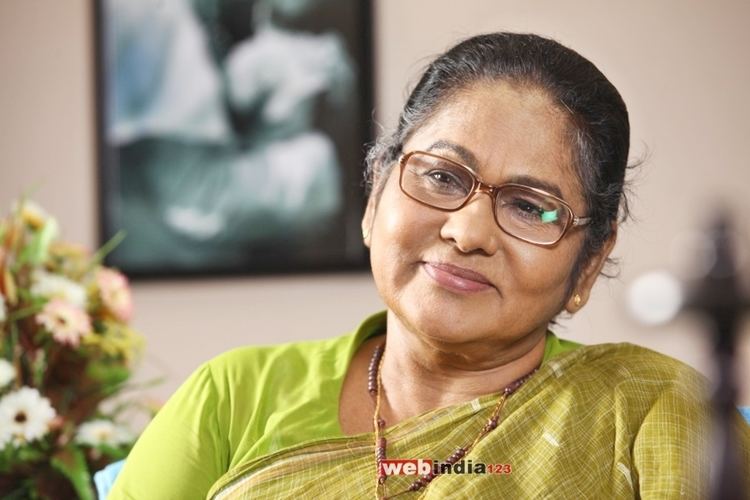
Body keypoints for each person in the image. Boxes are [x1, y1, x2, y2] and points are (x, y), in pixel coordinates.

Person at [108, 32, 750, 499]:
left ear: (587, 266)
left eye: (531, 207)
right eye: (442, 175)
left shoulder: (653, 415)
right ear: (373, 198)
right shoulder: (233, 399)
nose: (467, 231)